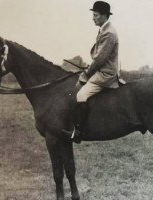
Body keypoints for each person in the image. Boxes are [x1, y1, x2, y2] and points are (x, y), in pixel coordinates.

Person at [65, 1, 119, 142]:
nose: (93, 18)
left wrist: (87, 73)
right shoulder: (104, 29)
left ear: (104, 16)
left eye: (95, 15)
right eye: (93, 15)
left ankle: (80, 131)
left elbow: (100, 59)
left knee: (81, 95)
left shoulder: (109, 33)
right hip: (101, 69)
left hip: (105, 74)